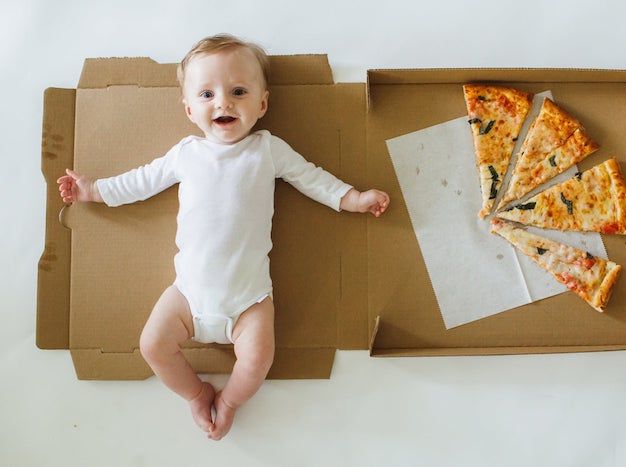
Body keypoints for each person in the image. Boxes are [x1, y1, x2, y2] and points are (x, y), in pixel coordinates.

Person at [56, 34, 389, 441]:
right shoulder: (186, 154)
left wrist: (352, 198)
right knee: (152, 346)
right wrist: (94, 190)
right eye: (208, 94)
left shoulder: (268, 150)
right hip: (187, 296)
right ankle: (196, 395)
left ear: (262, 104)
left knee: (259, 358)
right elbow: (141, 181)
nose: (223, 103)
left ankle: (229, 402)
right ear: (190, 109)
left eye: (238, 92)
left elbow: (311, 177)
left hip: (249, 301)